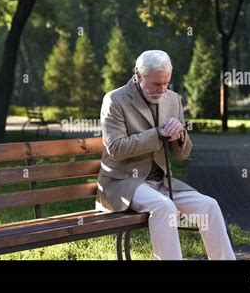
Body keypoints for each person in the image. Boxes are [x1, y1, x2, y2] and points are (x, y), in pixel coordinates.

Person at [96, 50, 235, 260]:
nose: (162, 90)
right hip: (124, 182)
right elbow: (116, 149)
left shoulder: (173, 100)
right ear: (138, 75)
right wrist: (157, 134)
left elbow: (182, 154)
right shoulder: (115, 100)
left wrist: (178, 137)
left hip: (161, 182)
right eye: (156, 84)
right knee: (164, 206)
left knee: (209, 205)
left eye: (166, 83)